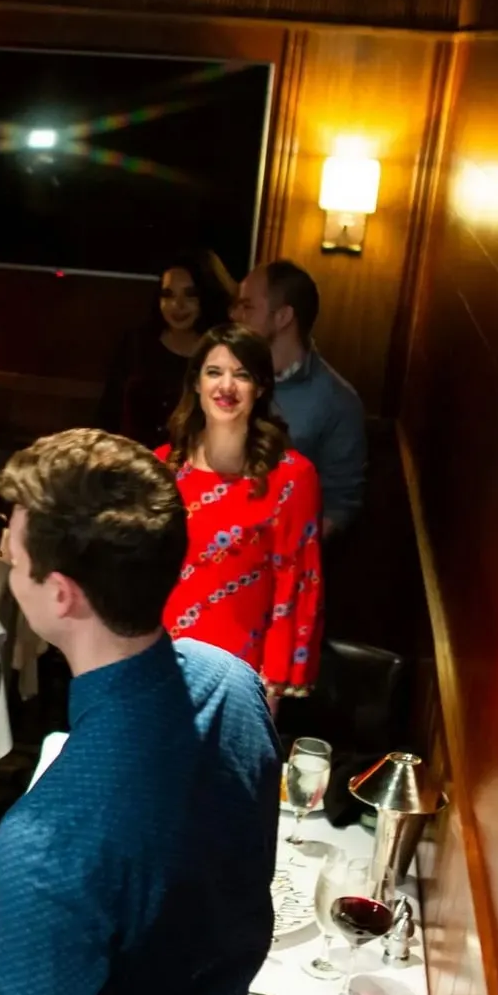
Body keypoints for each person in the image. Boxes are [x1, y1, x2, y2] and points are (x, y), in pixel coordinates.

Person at [0, 428, 280, 995]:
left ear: (62, 595)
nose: (6, 560)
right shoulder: (233, 682)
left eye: (15, 552)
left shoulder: (48, 838)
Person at [155, 324, 323, 713]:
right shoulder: (162, 466)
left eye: (242, 375)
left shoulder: (291, 477)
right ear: (196, 383)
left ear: (260, 388)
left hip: (241, 678)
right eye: (214, 372)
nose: (226, 386)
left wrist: (271, 690)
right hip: (158, 662)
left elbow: (295, 588)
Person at [230, 260, 366, 537]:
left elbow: (338, 506)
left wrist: (284, 552)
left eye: (248, 306)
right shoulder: (224, 375)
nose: (235, 315)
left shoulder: (337, 401)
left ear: (282, 317)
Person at [97, 251, 231, 448]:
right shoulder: (136, 343)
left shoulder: (221, 353)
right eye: (168, 295)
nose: (177, 305)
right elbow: (108, 412)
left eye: (190, 295)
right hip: (131, 459)